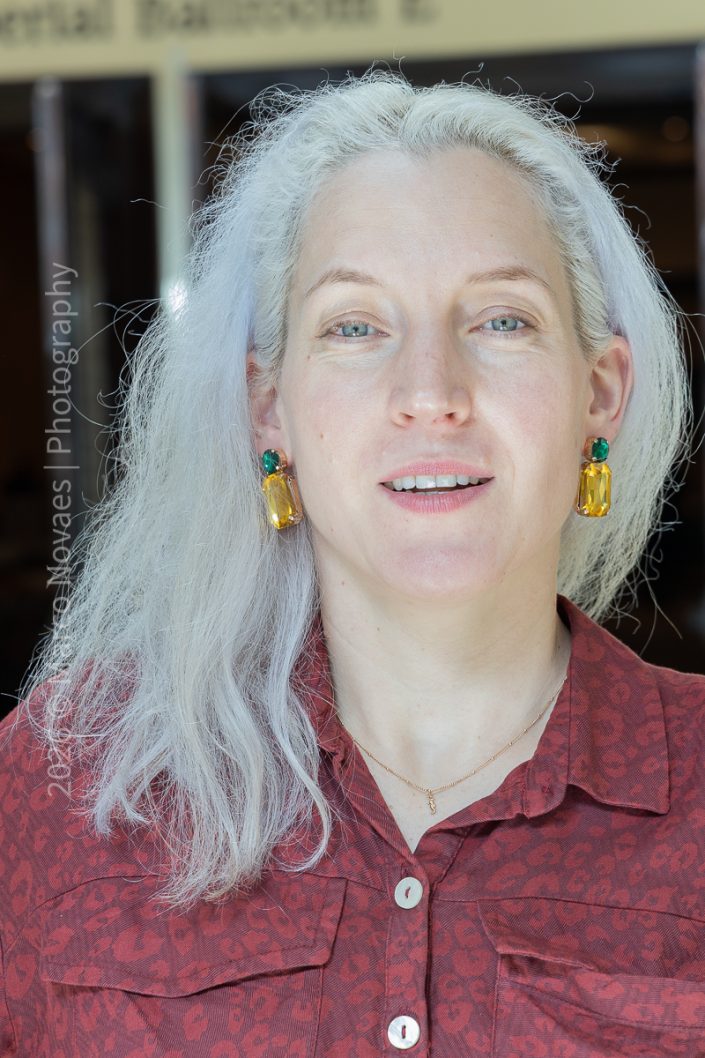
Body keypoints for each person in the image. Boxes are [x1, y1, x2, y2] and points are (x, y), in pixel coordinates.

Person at [1, 64, 704, 1058]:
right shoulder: (66, 780)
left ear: (599, 392)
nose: (430, 392)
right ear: (270, 408)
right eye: (355, 327)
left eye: (502, 320)